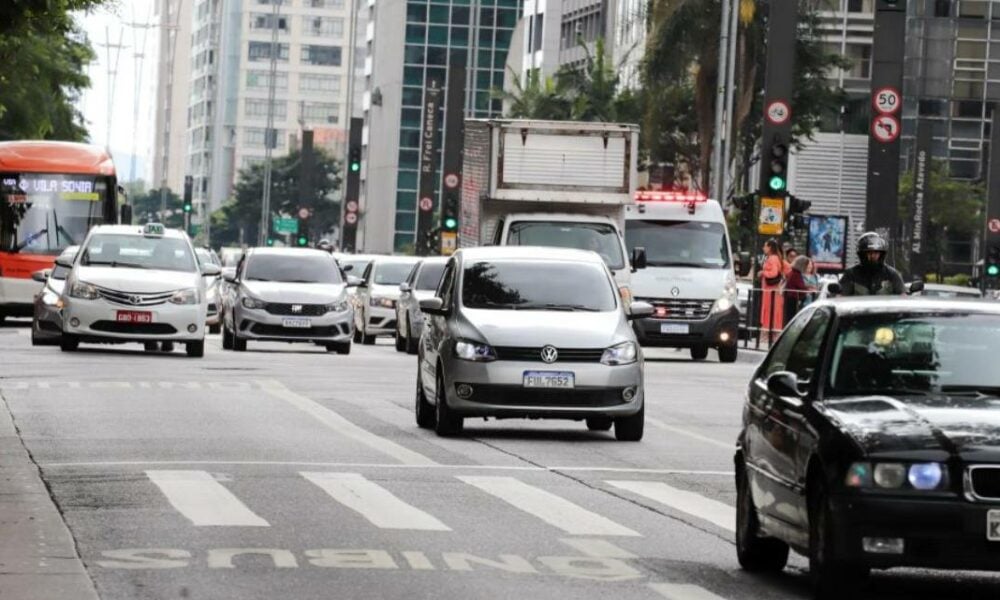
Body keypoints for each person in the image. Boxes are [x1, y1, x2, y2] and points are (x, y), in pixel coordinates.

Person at [839, 232, 905, 296]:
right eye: (870, 253)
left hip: (885, 307)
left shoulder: (892, 274)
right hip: (858, 307)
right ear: (862, 254)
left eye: (876, 253)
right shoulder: (851, 274)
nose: (873, 256)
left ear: (881, 254)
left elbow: (903, 298)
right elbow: (840, 297)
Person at [759, 239, 785, 340]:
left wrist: (763, 273)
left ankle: (766, 335)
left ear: (770, 247)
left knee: (769, 312)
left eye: (765, 246)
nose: (763, 248)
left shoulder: (772, 259)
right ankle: (773, 334)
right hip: (774, 291)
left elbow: (773, 273)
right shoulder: (777, 258)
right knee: (774, 312)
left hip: (771, 291)